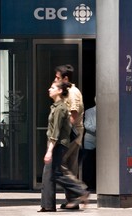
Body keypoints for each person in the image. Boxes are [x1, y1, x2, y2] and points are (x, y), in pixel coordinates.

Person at [38, 81, 89, 212]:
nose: (49, 89)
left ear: (60, 91)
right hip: (56, 144)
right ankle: (49, 205)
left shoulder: (60, 108)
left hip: (58, 144)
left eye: (53, 87)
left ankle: (80, 191)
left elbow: (56, 131)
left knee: (56, 173)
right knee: (54, 173)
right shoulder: (55, 106)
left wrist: (49, 150)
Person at [54, 64, 85, 209]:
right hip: (74, 135)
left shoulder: (73, 93)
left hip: (72, 134)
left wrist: (62, 135)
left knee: (59, 163)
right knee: (71, 166)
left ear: (66, 78)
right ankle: (73, 200)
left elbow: (73, 116)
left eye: (58, 77)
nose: (55, 79)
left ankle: (79, 191)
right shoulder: (67, 92)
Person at [82, 98, 96, 190]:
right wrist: (97, 128)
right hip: (90, 140)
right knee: (88, 162)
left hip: (104, 140)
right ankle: (87, 184)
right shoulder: (89, 111)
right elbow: (86, 125)